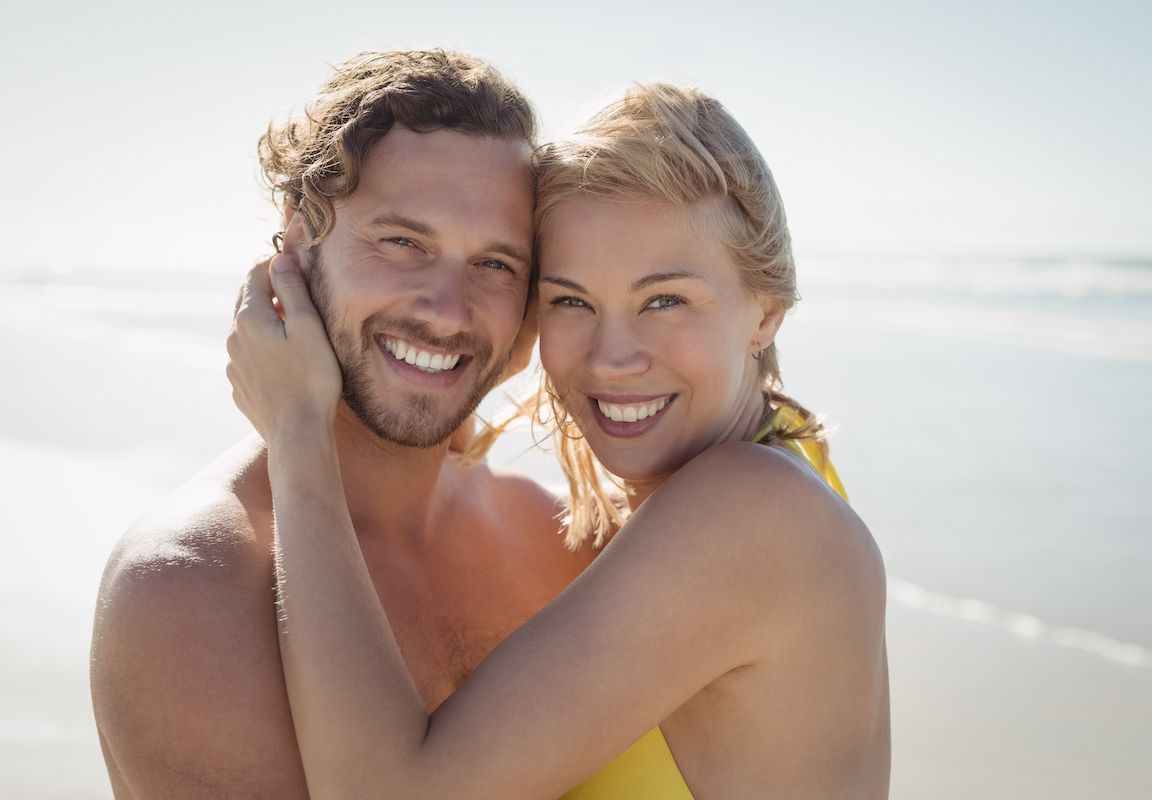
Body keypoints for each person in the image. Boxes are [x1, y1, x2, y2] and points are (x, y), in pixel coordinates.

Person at [226, 83, 890, 799]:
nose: (610, 359)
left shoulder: (748, 514)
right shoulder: (777, 471)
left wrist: (298, 433)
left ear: (766, 314)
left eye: (663, 300)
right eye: (572, 301)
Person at [89, 49, 597, 798]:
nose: (447, 310)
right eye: (402, 242)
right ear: (297, 242)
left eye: (495, 264)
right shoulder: (189, 589)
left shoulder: (555, 537)